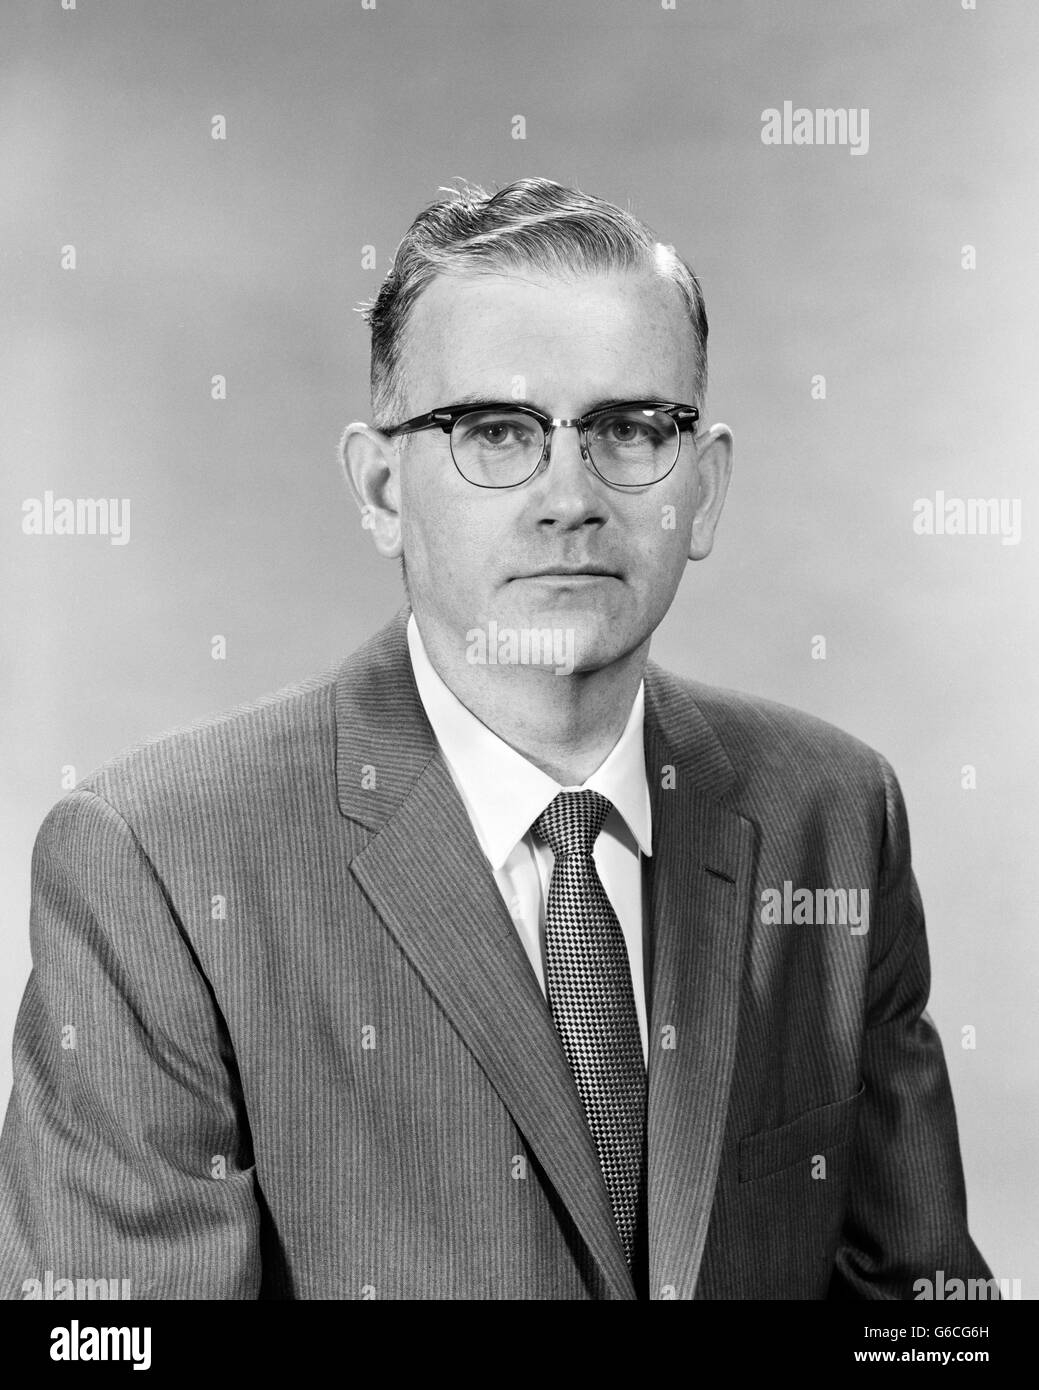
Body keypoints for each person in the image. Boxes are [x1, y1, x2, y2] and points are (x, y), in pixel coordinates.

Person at [0, 178, 992, 1300]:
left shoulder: (835, 813)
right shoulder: (158, 861)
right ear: (380, 486)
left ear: (703, 490)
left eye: (629, 428)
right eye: (496, 431)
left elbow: (920, 1315)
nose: (569, 497)